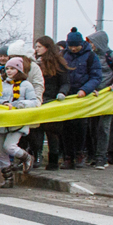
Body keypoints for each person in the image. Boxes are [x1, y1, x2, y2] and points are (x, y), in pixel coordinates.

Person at [85, 30, 113, 168]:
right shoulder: (90, 56)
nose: (91, 44)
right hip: (93, 96)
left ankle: (101, 157)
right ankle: (93, 155)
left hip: (107, 96)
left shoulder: (112, 56)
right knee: (92, 127)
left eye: (92, 42)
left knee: (103, 127)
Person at [0, 58, 39, 188]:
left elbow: (34, 102)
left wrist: (18, 104)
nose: (9, 71)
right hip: (2, 121)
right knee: (1, 152)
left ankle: (26, 157)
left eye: (12, 68)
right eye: (7, 68)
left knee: (9, 146)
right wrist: (3, 104)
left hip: (17, 122)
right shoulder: (1, 83)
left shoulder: (25, 85)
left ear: (19, 70)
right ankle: (8, 178)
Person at [60, 28, 102, 169]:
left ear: (81, 44)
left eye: (75, 46)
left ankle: (79, 154)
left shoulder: (91, 56)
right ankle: (67, 156)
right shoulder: (63, 55)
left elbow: (96, 77)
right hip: (66, 96)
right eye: (71, 46)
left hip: (82, 96)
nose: (73, 49)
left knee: (80, 127)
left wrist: (85, 89)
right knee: (66, 127)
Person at [31, 36, 71, 170]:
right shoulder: (35, 63)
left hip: (53, 100)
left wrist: (62, 93)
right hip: (38, 99)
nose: (36, 49)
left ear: (47, 47)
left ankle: (53, 161)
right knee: (36, 130)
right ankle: (37, 157)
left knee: (52, 132)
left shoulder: (58, 64)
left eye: (39, 47)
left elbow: (65, 82)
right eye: (36, 47)